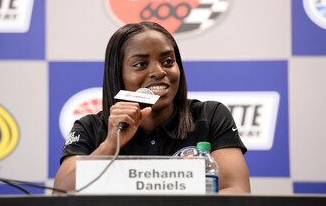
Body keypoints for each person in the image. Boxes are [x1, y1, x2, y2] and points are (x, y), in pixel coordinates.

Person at [53, 21, 251, 194]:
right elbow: (61, 195)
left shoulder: (211, 116)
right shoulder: (89, 128)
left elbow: (237, 192)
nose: (158, 71)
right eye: (140, 64)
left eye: (168, 61)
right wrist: (110, 145)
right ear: (117, 74)